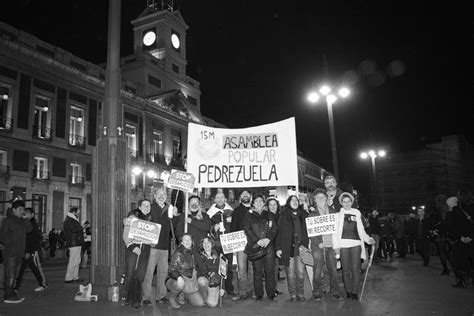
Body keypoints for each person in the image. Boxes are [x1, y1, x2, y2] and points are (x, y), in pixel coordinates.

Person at [333, 193, 375, 300]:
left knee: (356, 269)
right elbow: (335, 232)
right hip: (343, 246)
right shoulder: (337, 215)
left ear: (352, 202)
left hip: (356, 245)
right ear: (341, 203)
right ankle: (348, 291)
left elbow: (361, 230)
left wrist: (367, 239)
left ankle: (355, 291)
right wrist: (336, 246)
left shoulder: (357, 213)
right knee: (345, 270)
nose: (347, 203)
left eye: (349, 201)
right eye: (344, 201)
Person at [142, 187, 179, 305]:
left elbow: (173, 226)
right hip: (152, 245)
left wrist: (175, 215)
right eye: (159, 194)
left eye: (164, 194)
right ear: (154, 196)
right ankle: (146, 296)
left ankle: (161, 295)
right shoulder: (151, 207)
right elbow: (141, 217)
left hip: (165, 245)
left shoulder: (170, 208)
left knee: (163, 272)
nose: (162, 196)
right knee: (149, 272)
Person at [308, 189, 343, 301]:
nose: (320, 199)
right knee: (317, 269)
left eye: (322, 197)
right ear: (315, 201)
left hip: (332, 244)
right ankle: (317, 292)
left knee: (333, 269)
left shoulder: (333, 211)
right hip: (318, 245)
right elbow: (311, 232)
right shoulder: (312, 213)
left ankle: (335, 292)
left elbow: (338, 228)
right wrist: (318, 243)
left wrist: (337, 244)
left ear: (326, 198)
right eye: (318, 198)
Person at [243, 193, 278, 301]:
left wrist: (268, 239)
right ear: (253, 203)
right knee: (257, 272)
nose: (258, 203)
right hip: (255, 247)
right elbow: (247, 229)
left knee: (269, 271)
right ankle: (259, 294)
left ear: (263, 203)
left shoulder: (269, 215)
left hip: (269, 247)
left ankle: (271, 293)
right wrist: (257, 241)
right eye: (256, 201)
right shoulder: (248, 215)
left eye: (260, 201)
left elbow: (274, 229)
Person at [275, 195, 308, 302]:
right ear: (288, 202)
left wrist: (308, 209)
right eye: (292, 200)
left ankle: (301, 293)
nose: (294, 202)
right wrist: (278, 248)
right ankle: (293, 294)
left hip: (301, 248)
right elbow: (278, 233)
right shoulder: (283, 215)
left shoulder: (304, 215)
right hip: (288, 248)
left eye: (296, 200)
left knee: (301, 273)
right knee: (290, 273)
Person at [122, 199, 153, 309]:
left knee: (140, 275)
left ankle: (136, 300)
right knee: (130, 274)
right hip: (133, 248)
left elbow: (152, 237)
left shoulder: (150, 219)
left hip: (145, 250)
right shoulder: (132, 217)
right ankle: (128, 297)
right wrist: (132, 247)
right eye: (144, 205)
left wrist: (152, 242)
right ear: (139, 207)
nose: (146, 207)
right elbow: (125, 235)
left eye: (148, 205)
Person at [0, 200, 32, 303]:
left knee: (15, 275)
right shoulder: (7, 220)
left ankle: (12, 293)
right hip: (10, 252)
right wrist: (12, 239)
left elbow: (30, 229)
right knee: (10, 275)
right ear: (14, 210)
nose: (22, 211)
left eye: (23, 209)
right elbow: (3, 236)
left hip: (20, 252)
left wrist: (26, 219)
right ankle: (8, 296)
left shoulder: (22, 220)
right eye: (20, 209)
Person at [207, 192, 235, 296]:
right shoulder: (210, 213)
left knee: (228, 267)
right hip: (216, 244)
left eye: (222, 197)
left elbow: (235, 226)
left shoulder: (231, 211)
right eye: (217, 197)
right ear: (214, 200)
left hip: (228, 243)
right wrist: (213, 228)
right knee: (216, 266)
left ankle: (229, 287)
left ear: (225, 199)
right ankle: (217, 287)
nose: (219, 199)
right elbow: (207, 227)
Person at [166, 234, 205, 309]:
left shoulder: (195, 253)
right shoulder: (178, 253)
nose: (187, 242)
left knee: (199, 303)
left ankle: (184, 294)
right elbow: (171, 270)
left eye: (189, 240)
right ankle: (172, 297)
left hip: (189, 282)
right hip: (175, 280)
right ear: (182, 242)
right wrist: (179, 277)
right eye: (185, 240)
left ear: (192, 242)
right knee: (179, 284)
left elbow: (202, 268)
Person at [15, 208, 48, 292]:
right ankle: (16, 287)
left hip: (32, 250)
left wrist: (29, 251)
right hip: (24, 250)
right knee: (20, 270)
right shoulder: (23, 223)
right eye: (24, 213)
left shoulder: (33, 224)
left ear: (32, 214)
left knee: (36, 268)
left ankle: (43, 284)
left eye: (27, 213)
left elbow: (32, 239)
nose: (25, 215)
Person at [230, 190, 254, 301]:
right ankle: (243, 292)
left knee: (253, 269)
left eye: (247, 194)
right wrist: (234, 246)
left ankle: (252, 291)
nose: (245, 196)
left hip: (254, 244)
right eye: (243, 194)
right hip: (240, 245)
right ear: (240, 197)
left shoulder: (255, 210)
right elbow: (233, 228)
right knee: (242, 269)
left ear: (250, 196)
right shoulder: (236, 211)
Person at [449, 189, 474, 288]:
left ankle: (462, 280)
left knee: (458, 261)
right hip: (473, 239)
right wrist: (471, 237)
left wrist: (461, 237)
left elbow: (453, 227)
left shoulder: (456, 209)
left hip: (461, 240)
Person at [196, 237, 222, 307]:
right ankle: (204, 298)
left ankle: (213, 294)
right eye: (204, 242)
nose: (206, 244)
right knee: (201, 280)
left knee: (212, 304)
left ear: (212, 244)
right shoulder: (198, 256)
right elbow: (200, 272)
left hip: (214, 282)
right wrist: (209, 260)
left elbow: (223, 274)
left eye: (208, 242)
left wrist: (222, 288)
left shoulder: (218, 256)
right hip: (206, 280)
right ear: (202, 245)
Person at [266, 197, 284, 295]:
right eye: (270, 205)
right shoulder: (265, 217)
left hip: (277, 246)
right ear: (268, 207)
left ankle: (274, 289)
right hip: (268, 246)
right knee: (270, 270)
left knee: (275, 269)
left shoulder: (281, 216)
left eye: (274, 204)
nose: (273, 206)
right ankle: (271, 290)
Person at [430, 195, 451, 275]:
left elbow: (442, 223)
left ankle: (446, 269)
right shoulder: (447, 208)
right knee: (447, 253)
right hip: (447, 235)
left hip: (442, 234)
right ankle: (448, 269)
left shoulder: (441, 210)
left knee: (443, 252)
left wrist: (436, 226)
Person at [63, 207, 84, 283]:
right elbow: (74, 230)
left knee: (77, 260)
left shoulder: (70, 220)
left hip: (75, 242)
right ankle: (68, 278)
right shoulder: (70, 220)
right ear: (74, 212)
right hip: (74, 243)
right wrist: (82, 228)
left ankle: (75, 276)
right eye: (78, 213)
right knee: (73, 260)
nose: (79, 214)